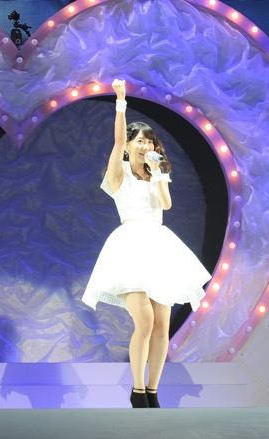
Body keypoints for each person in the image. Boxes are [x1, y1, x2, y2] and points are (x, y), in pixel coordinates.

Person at [82, 79, 211, 408]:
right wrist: (121, 101)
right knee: (145, 321)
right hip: (130, 248)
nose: (145, 145)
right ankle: (137, 389)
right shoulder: (119, 174)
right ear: (129, 146)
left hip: (159, 248)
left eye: (149, 140)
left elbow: (166, 204)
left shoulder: (156, 173)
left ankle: (152, 390)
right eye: (140, 140)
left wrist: (158, 173)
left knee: (162, 325)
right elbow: (116, 140)